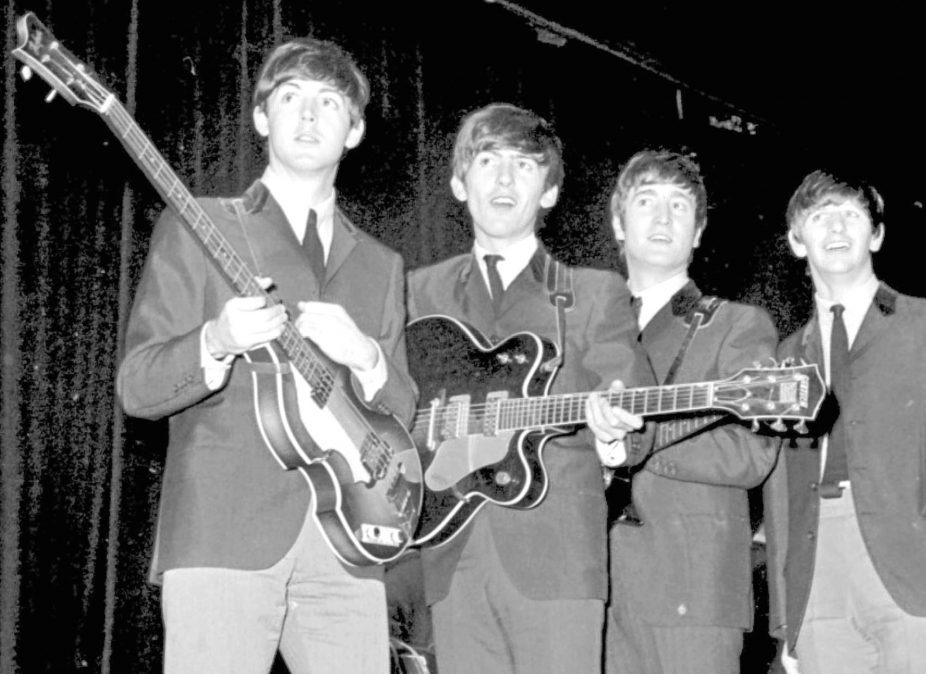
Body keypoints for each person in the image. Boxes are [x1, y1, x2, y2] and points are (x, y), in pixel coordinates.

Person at [116, 37, 417, 673]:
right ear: (261, 118)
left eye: (329, 102)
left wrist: (367, 358)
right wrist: (216, 341)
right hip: (225, 532)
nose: (309, 116)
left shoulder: (383, 266)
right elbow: (137, 387)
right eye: (290, 98)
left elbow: (403, 409)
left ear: (355, 131)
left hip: (349, 543)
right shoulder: (201, 223)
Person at [405, 102, 655, 674]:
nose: (503, 178)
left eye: (524, 165)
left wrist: (613, 435)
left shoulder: (593, 293)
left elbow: (628, 394)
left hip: (558, 561)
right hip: (451, 554)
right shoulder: (415, 293)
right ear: (458, 183)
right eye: (487, 161)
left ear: (549, 192)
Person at [763, 169, 926, 674]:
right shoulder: (784, 357)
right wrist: (787, 620)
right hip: (818, 581)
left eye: (851, 215)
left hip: (921, 569)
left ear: (876, 235)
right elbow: (780, 493)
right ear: (795, 241)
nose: (836, 227)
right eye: (819, 216)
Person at [602, 150, 780, 674]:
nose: (662, 218)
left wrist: (636, 444)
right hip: (585, 592)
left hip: (691, 592)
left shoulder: (735, 325)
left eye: (679, 206)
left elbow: (751, 451)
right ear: (618, 222)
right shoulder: (582, 329)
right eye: (646, 202)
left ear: (699, 232)